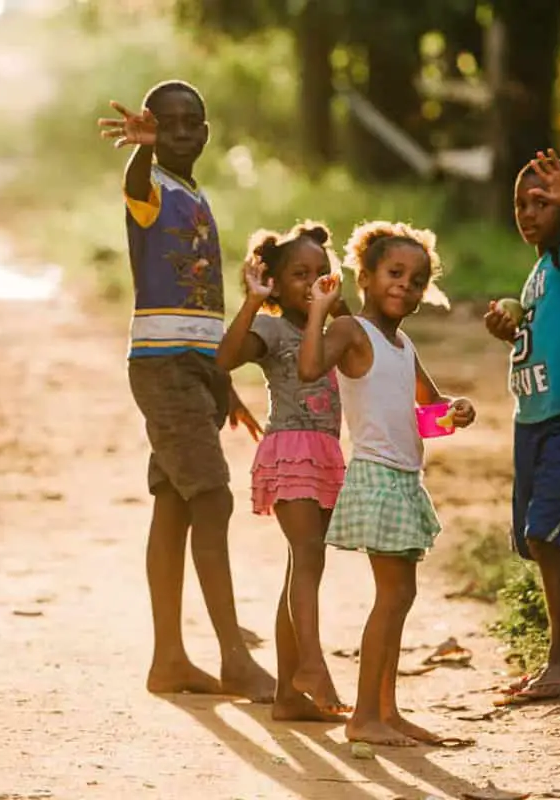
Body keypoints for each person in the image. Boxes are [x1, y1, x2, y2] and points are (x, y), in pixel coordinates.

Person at [97, 80, 275, 701]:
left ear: (205, 132)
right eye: (162, 122)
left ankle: (169, 660)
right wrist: (140, 149)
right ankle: (234, 657)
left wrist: (222, 382)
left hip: (193, 367)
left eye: (187, 122)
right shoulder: (148, 191)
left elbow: (200, 304)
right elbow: (138, 179)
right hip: (162, 366)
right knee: (213, 500)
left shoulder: (197, 195)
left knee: (174, 501)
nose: (176, 132)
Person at [296, 220, 477, 748]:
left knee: (399, 595)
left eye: (417, 280)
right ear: (366, 277)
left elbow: (424, 412)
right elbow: (310, 367)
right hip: (376, 476)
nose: (406, 285)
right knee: (393, 594)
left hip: (404, 477)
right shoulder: (353, 333)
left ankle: (385, 711)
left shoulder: (402, 345)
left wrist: (454, 413)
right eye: (395, 273)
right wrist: (317, 313)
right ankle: (366, 717)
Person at [483, 150, 560, 701]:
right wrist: (510, 333)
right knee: (535, 541)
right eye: (523, 203)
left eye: (546, 201)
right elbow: (544, 338)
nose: (532, 212)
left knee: (547, 533)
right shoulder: (537, 273)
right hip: (530, 421)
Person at [215, 221, 352, 721]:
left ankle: (288, 698)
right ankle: (311, 664)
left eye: (322, 272)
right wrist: (253, 302)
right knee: (307, 553)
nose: (313, 281)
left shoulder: (334, 327)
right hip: (289, 448)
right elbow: (224, 359)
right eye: (300, 273)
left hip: (327, 455)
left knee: (302, 566)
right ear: (275, 280)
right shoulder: (272, 328)